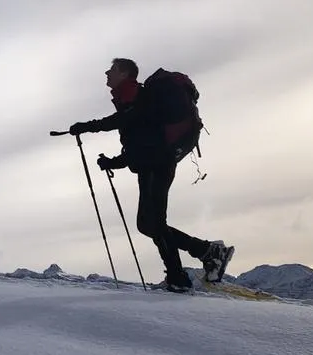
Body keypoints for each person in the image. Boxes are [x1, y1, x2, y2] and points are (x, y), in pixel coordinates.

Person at [67, 58, 234, 292]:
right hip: (153, 163)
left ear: (125, 73)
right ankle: (204, 254)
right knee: (148, 224)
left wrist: (88, 126)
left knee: (154, 223)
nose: (107, 73)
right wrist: (114, 162)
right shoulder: (129, 98)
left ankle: (181, 276)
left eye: (112, 69)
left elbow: (128, 122)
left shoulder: (136, 96)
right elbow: (140, 143)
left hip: (158, 163)